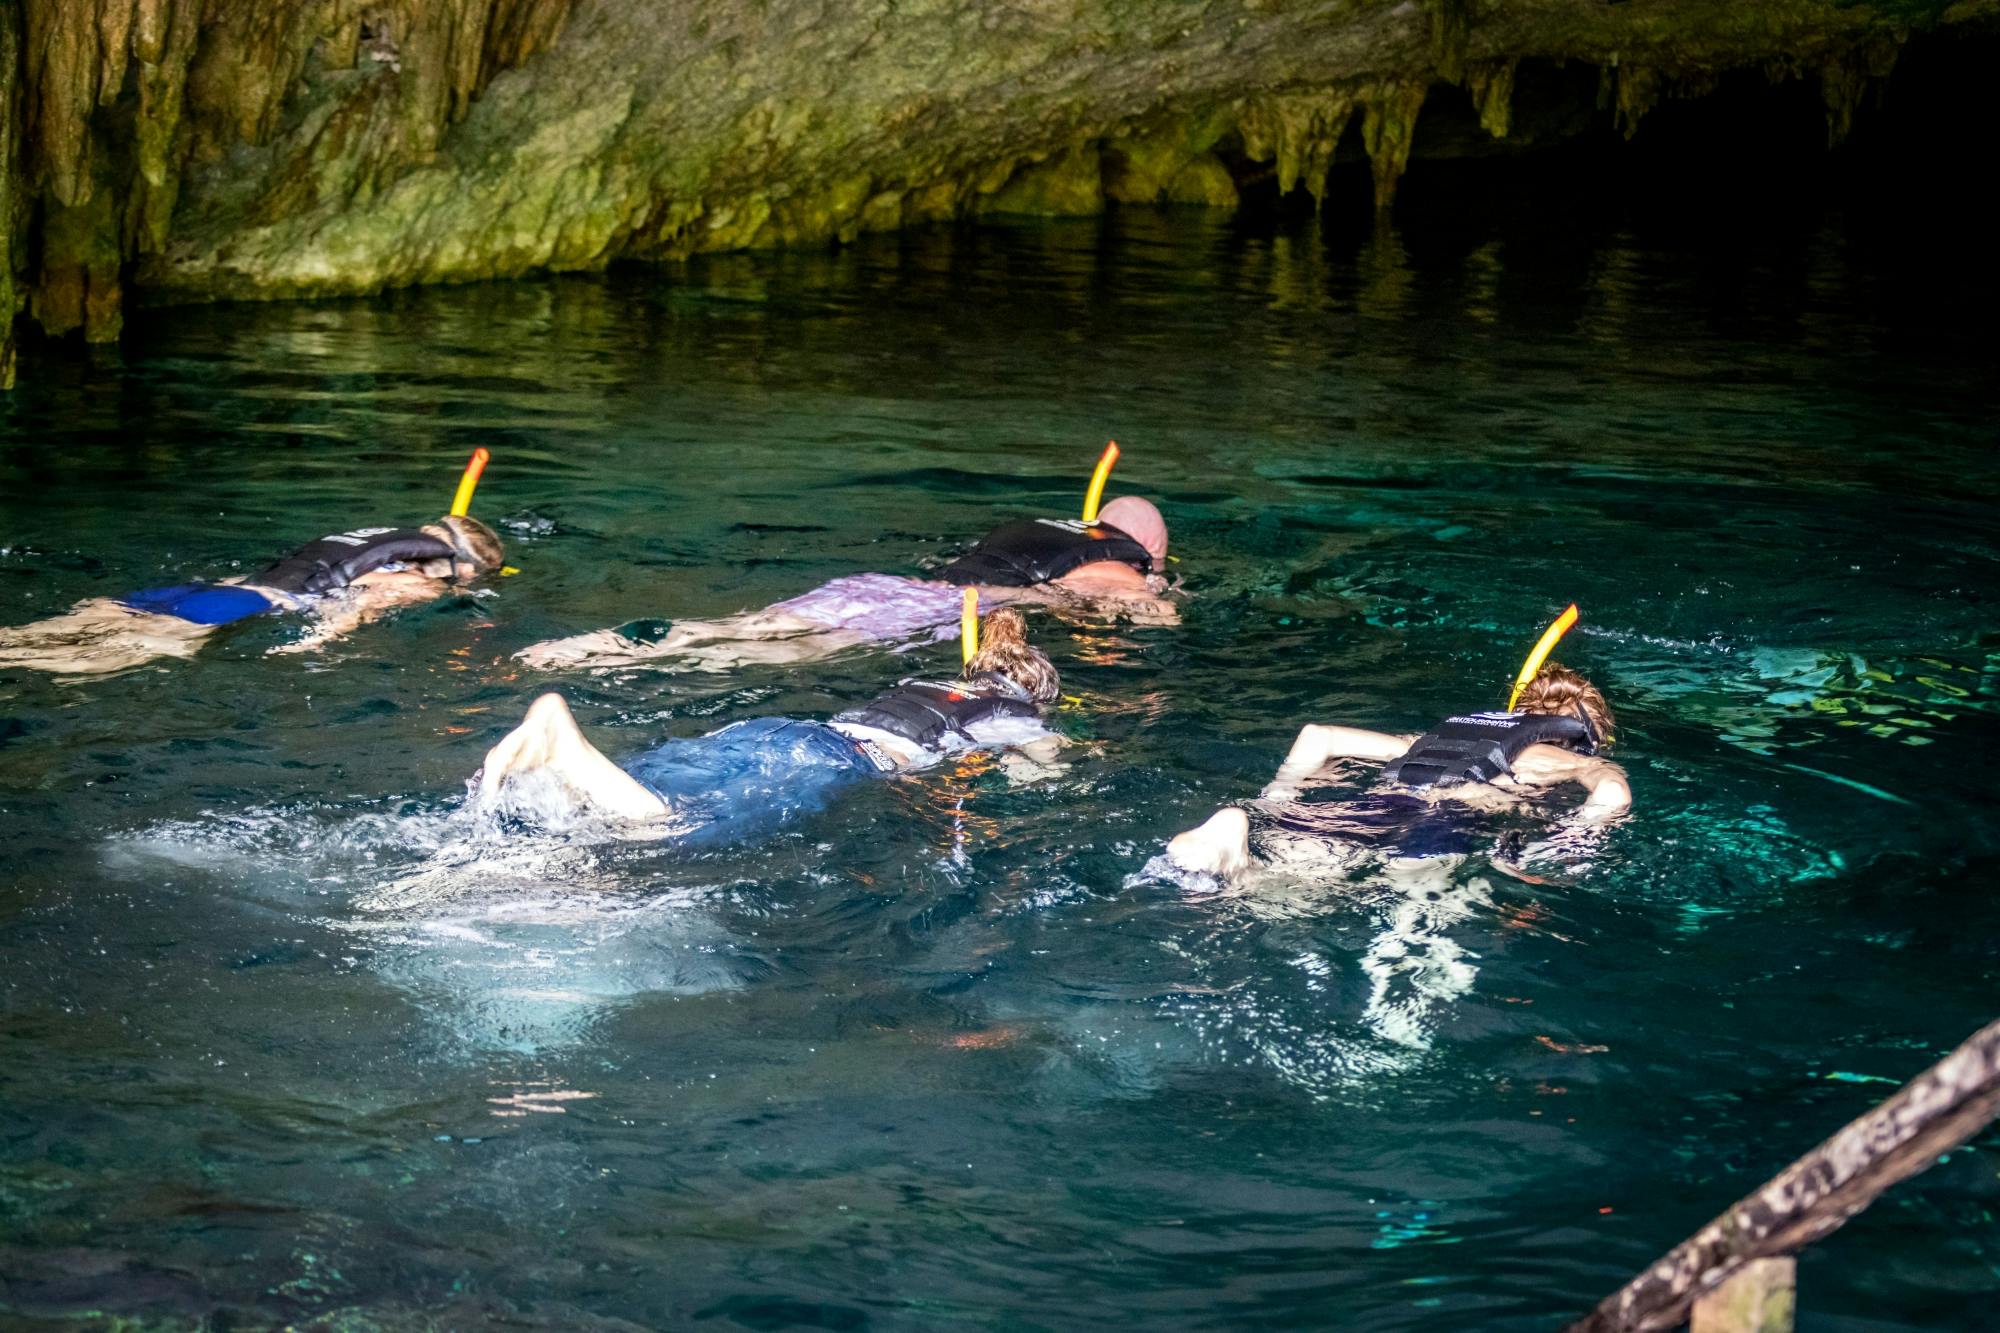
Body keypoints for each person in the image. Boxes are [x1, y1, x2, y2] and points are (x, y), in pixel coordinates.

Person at [476, 608, 1066, 835]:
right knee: (668, 832)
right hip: (837, 761)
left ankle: (555, 751)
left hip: (780, 731)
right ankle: (562, 742)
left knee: (608, 800)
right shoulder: (1016, 716)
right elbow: (1040, 773)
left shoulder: (923, 686)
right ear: (1033, 694)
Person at [515, 495, 1177, 672]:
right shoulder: (1123, 558)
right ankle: (606, 659)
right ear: (1147, 546)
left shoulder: (1034, 527)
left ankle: (598, 645)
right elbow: (1128, 601)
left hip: (884, 585)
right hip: (932, 610)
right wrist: (1164, 605)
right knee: (769, 650)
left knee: (748, 629)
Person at [1165, 663, 1632, 879]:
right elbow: (1612, 795)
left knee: (1301, 868)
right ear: (1589, 735)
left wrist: (1278, 795)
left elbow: (1318, 735)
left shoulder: (1443, 740)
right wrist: (1565, 843)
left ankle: (1238, 826)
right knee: (1409, 919)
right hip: (1444, 824)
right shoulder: (1574, 761)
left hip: (1380, 803)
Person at [0, 515, 505, 675]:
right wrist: (316, 645)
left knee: (45, 636)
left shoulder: (372, 539)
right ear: (462, 567)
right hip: (244, 606)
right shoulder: (421, 575)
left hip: (198, 589)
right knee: (103, 660)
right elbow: (364, 599)